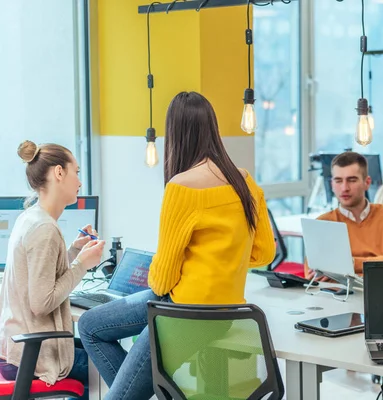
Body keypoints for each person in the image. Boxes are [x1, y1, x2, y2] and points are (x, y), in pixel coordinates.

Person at [78, 91, 276, 400]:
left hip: (183, 316)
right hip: (227, 311)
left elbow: (162, 279)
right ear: (212, 127)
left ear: (176, 134)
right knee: (90, 323)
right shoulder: (245, 181)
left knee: (92, 332)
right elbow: (264, 253)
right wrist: (220, 262)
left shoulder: (181, 186)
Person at [0, 141, 106, 400]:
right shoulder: (45, 229)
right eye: (76, 172)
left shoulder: (30, 217)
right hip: (33, 359)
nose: (80, 182)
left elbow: (38, 276)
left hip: (15, 350)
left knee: (96, 352)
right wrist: (82, 264)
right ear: (59, 173)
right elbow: (41, 302)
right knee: (107, 364)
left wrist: (71, 253)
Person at [304, 151, 383, 280]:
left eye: (352, 180)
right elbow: (314, 272)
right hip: (339, 296)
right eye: (338, 181)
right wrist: (376, 265)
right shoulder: (322, 223)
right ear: (332, 185)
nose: (344, 188)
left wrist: (348, 264)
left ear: (367, 182)